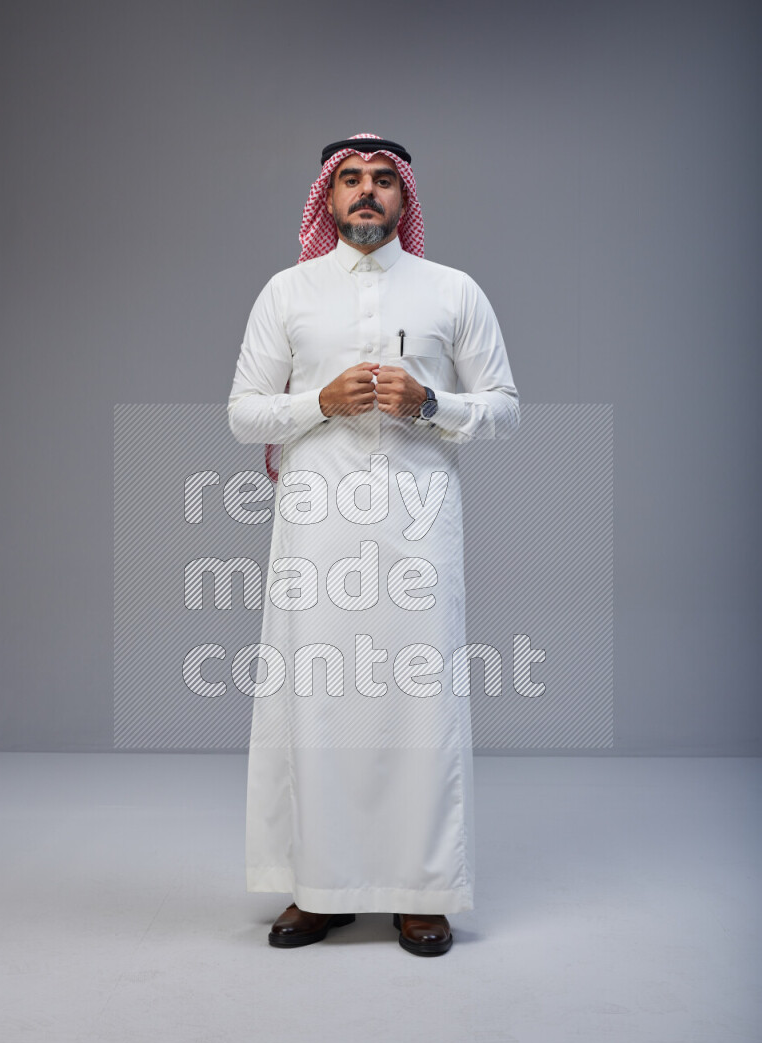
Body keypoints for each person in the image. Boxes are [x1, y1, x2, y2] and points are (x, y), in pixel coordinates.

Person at [227, 133, 519, 956]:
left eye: (382, 181)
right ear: (326, 197)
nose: (365, 193)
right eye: (350, 180)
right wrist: (316, 401)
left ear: (405, 198)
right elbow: (244, 411)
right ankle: (319, 889)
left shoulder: (451, 291)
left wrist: (433, 403)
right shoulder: (288, 293)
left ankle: (420, 891)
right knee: (315, 704)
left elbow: (505, 406)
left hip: (419, 530)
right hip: (315, 533)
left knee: (417, 705)